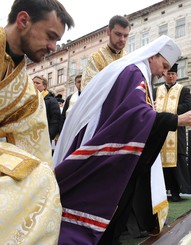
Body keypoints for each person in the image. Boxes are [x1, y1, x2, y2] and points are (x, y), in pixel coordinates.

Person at [53, 35, 191, 244]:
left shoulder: (136, 73)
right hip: (110, 148)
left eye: (168, 70)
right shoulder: (135, 73)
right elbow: (135, 115)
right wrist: (175, 120)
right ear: (152, 56)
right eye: (164, 66)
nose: (163, 73)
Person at [0, 0, 74, 243]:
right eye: (50, 36)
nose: (53, 46)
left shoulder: (29, 93)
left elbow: (37, 147)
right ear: (23, 21)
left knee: (42, 182)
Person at [154, 63, 191, 201]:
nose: (170, 76)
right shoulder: (156, 90)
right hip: (159, 133)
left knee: (177, 164)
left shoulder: (183, 90)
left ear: (176, 75)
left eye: (173, 74)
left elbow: (188, 106)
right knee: (158, 164)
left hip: (176, 133)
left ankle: (176, 192)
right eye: (168, 74)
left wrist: (166, 112)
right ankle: (161, 192)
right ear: (164, 75)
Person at [81, 15, 130, 90]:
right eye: (118, 34)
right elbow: (88, 90)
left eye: (125, 36)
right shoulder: (95, 59)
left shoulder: (129, 60)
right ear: (108, 31)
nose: (122, 39)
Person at [32, 75, 61, 141]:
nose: (34, 84)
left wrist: (49, 136)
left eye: (37, 83)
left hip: (44, 136)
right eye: (33, 82)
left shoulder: (51, 100)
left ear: (44, 86)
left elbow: (55, 120)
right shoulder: (28, 98)